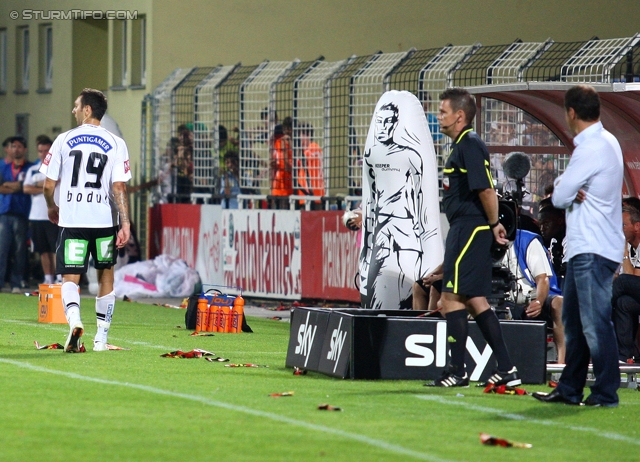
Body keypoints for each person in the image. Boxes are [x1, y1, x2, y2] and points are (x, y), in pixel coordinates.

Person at [533, 85, 623, 407]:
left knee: (595, 323)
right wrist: (567, 186)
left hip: (592, 250)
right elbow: (564, 190)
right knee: (573, 320)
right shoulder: (608, 142)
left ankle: (606, 393)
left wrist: (565, 186)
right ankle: (570, 389)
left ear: (570, 113)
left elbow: (557, 198)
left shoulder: (590, 149)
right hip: (592, 248)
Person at [427, 87, 519, 388]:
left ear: (460, 116)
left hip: (470, 228)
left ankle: (457, 371)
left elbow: (486, 189)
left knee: (450, 297)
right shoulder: (461, 145)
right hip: (466, 228)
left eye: (443, 112)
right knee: (474, 300)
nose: (439, 116)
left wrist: (494, 224)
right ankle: (506, 368)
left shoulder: (470, 144)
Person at [40, 88, 132, 353]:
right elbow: (118, 188)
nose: (74, 110)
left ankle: (75, 321)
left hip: (74, 220)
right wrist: (125, 224)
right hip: (104, 221)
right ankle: (101, 339)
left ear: (87, 110)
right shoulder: (116, 143)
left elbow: (48, 185)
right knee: (105, 276)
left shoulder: (64, 140)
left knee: (70, 277)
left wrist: (51, 206)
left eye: (76, 106)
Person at [359, 92, 443, 311]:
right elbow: (370, 202)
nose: (384, 127)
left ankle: (417, 331)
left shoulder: (411, 156)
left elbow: (424, 204)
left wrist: (429, 247)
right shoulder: (372, 155)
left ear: (396, 123)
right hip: (382, 230)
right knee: (379, 294)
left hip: (406, 232)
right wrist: (365, 247)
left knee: (413, 287)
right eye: (381, 121)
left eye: (389, 122)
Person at [499, 229, 565, 363]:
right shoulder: (482, 240)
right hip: (502, 299)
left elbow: (542, 279)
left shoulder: (527, 240)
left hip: (532, 296)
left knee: (559, 303)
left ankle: (561, 364)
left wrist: (539, 302)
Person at [23, 135, 61, 285]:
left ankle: (59, 278)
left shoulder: (59, 166)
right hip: (37, 216)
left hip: (54, 214)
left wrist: (38, 185)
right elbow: (26, 188)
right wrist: (45, 186)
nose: (44, 154)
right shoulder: (33, 169)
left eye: (47, 150)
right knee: (43, 250)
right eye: (40, 151)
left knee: (56, 248)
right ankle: (48, 278)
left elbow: (56, 183)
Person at [0, 136, 34, 293]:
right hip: (4, 212)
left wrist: (14, 186)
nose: (16, 149)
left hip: (22, 213)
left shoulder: (30, 168)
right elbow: (1, 187)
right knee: (2, 249)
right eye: (13, 146)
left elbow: (27, 187)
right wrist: (18, 186)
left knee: (20, 250)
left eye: (19, 146)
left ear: (25, 149)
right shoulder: (4, 167)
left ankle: (16, 282)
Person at [611, 205, 640, 363]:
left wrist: (624, 253)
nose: (619, 229)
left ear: (637, 226)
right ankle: (623, 356)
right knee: (624, 303)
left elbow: (630, 278)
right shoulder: (630, 247)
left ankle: (598, 309)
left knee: (622, 282)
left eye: (623, 225)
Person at [538, 199, 566, 288]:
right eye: (540, 224)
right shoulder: (553, 241)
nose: (542, 229)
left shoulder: (571, 239)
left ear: (559, 221)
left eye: (546, 224)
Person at [296, 123, 324, 198]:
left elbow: (304, 160)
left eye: (300, 135)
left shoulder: (313, 147)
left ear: (308, 134)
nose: (298, 138)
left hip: (314, 193)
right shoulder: (304, 150)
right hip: (304, 194)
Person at [270, 116, 293, 206]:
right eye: (285, 128)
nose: (287, 131)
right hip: (279, 182)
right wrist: (273, 164)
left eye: (290, 128)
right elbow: (275, 160)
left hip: (289, 183)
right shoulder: (278, 143)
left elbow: (290, 166)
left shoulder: (296, 145)